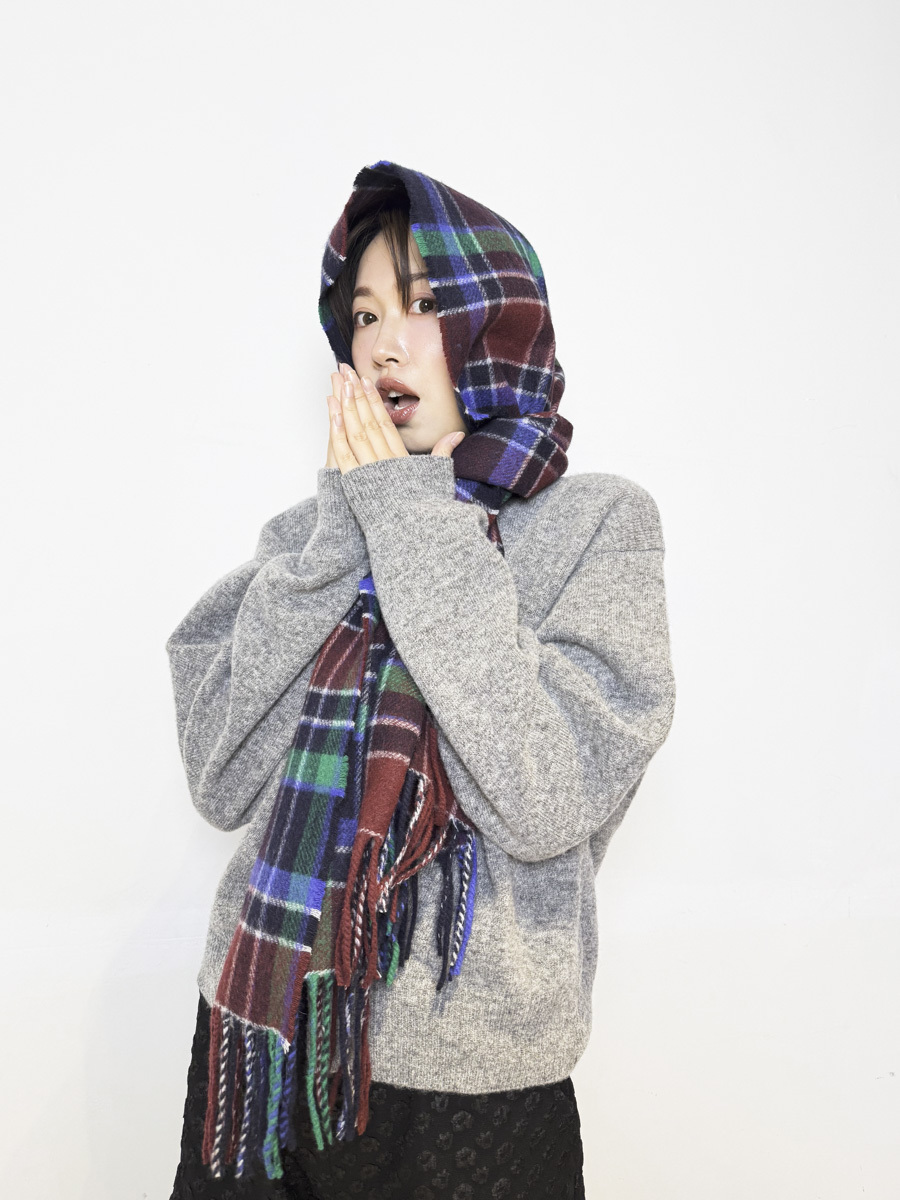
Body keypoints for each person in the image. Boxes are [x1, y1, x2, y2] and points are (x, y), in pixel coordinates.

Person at [165, 161, 677, 1199]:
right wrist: (343, 529)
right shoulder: (307, 541)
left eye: (425, 303)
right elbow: (221, 773)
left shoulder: (598, 527)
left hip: (473, 1090)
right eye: (363, 315)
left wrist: (411, 519)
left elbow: (541, 797)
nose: (383, 343)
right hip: (260, 1045)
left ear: (501, 325)